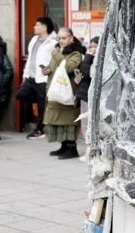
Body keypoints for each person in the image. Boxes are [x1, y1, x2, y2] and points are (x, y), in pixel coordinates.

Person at [43, 28, 85, 159]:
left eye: (64, 38)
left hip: (67, 92)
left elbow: (68, 68)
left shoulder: (76, 53)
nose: (61, 41)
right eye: (59, 38)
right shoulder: (58, 51)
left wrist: (57, 55)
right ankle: (64, 146)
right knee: (57, 120)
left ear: (71, 38)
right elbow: (55, 67)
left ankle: (71, 149)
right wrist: (47, 70)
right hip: (55, 91)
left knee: (68, 120)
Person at [15, 17, 57, 139]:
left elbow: (55, 61)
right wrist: (25, 75)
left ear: (44, 28)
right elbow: (30, 59)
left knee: (42, 105)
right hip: (31, 77)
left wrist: (48, 70)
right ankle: (42, 121)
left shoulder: (53, 43)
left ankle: (40, 129)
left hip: (43, 78)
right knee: (20, 95)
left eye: (37, 25)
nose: (34, 27)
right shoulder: (34, 40)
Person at [74, 36, 98, 133]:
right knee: (85, 123)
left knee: (92, 123)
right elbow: (83, 72)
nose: (92, 49)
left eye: (95, 47)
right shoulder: (89, 59)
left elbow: (88, 73)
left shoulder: (95, 60)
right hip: (84, 95)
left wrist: (88, 57)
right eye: (90, 47)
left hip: (92, 95)